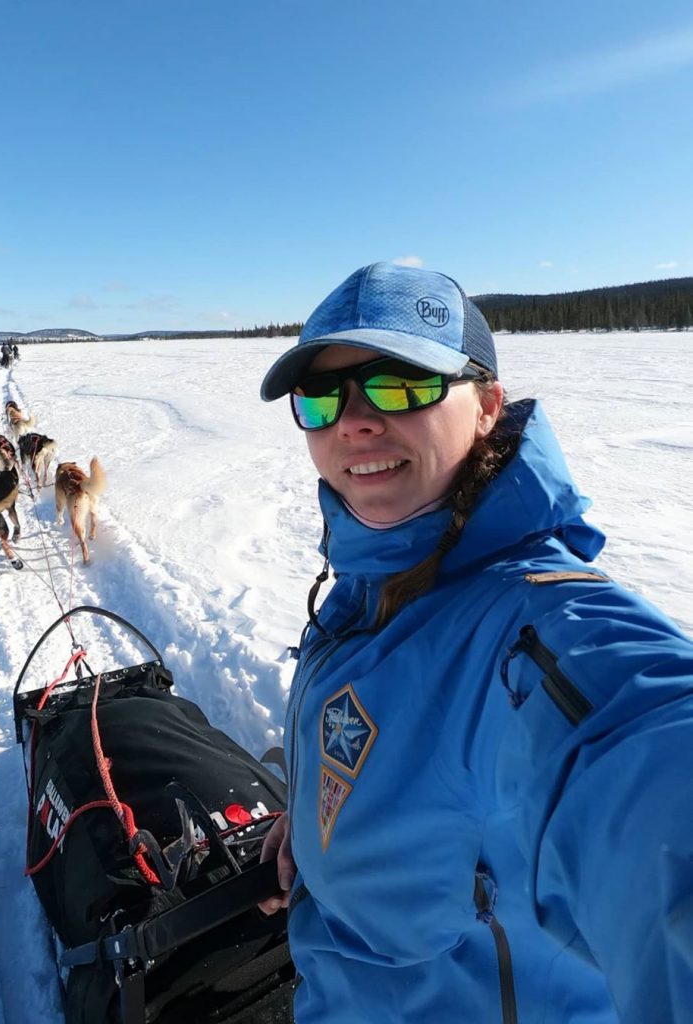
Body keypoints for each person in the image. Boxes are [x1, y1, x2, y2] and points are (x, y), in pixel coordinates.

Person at [257, 262, 693, 1023]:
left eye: (400, 384)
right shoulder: (366, 584)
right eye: (322, 397)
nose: (353, 420)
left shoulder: (535, 636)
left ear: (487, 405)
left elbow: (641, 767)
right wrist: (312, 818)